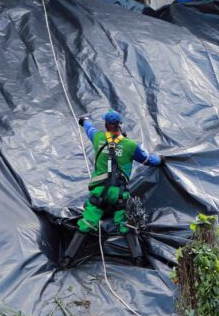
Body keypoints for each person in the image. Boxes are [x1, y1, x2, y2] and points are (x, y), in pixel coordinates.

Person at [60, 110, 162, 268]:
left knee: (86, 222)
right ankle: (138, 259)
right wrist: (161, 160)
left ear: (106, 125)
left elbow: (89, 128)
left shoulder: (98, 138)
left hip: (98, 194)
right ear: (120, 125)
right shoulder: (131, 145)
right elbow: (149, 160)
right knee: (125, 224)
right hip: (119, 195)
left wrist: (84, 120)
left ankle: (66, 259)